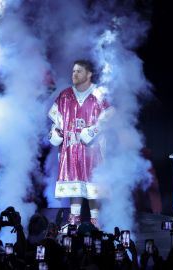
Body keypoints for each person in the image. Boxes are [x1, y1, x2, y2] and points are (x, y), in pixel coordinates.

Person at [48, 59, 110, 228]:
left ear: (89, 74)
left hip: (92, 149)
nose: (74, 74)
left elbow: (109, 116)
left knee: (92, 185)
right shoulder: (65, 95)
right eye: (73, 71)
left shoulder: (98, 94)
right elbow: (57, 121)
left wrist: (92, 131)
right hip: (71, 147)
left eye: (78, 71)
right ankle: (74, 219)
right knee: (73, 181)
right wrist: (55, 132)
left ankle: (95, 220)